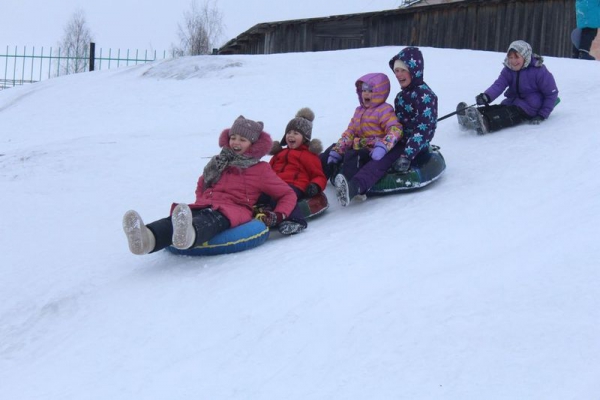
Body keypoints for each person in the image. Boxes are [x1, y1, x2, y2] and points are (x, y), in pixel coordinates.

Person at [122, 115, 297, 255]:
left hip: (233, 210)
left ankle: (188, 236)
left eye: (242, 139)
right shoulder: (219, 162)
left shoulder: (260, 170)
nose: (236, 142)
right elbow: (203, 182)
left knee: (209, 220)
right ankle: (146, 238)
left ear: (254, 144)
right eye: (233, 138)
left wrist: (279, 215)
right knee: (177, 219)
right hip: (207, 203)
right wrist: (202, 199)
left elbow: (287, 194)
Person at [319, 72, 404, 206]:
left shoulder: (384, 110)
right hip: (360, 144)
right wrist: (338, 149)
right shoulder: (359, 110)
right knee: (331, 150)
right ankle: (317, 176)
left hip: (376, 149)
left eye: (370, 91)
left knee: (367, 162)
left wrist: (383, 146)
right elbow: (351, 131)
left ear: (380, 92)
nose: (366, 94)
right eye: (363, 90)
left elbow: (395, 129)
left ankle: (353, 187)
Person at [457, 40, 559, 135]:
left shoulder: (539, 71)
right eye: (510, 57)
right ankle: (470, 116)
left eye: (517, 57)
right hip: (512, 102)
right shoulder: (508, 70)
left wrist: (542, 114)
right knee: (498, 108)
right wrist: (486, 96)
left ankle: (485, 122)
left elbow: (551, 94)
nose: (513, 61)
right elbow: (499, 85)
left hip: (530, 109)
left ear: (526, 57)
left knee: (506, 115)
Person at [259, 107, 327, 235]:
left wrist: (315, 186)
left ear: (305, 138)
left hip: (294, 185)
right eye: (289, 132)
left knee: (282, 197)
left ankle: (295, 220)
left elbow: (319, 175)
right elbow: (268, 170)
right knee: (256, 195)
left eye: (296, 133)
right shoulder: (280, 153)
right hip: (275, 184)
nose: (291, 135)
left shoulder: (308, 156)